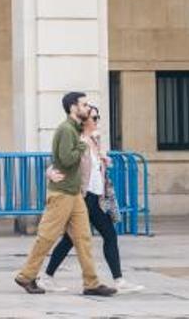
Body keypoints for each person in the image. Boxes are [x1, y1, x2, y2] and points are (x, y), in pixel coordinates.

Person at [14, 91, 117, 297]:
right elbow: (66, 159)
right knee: (47, 237)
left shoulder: (76, 129)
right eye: (84, 104)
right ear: (73, 107)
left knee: (83, 238)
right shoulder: (66, 130)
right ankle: (26, 275)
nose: (87, 108)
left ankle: (91, 283)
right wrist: (83, 141)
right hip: (61, 194)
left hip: (75, 193)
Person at [42, 104, 143, 293]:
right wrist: (49, 172)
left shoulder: (95, 141)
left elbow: (94, 169)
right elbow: (59, 161)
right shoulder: (77, 139)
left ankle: (119, 280)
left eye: (98, 117)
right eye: (94, 118)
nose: (97, 121)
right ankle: (47, 277)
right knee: (71, 239)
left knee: (108, 235)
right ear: (85, 120)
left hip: (96, 198)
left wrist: (104, 162)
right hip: (81, 197)